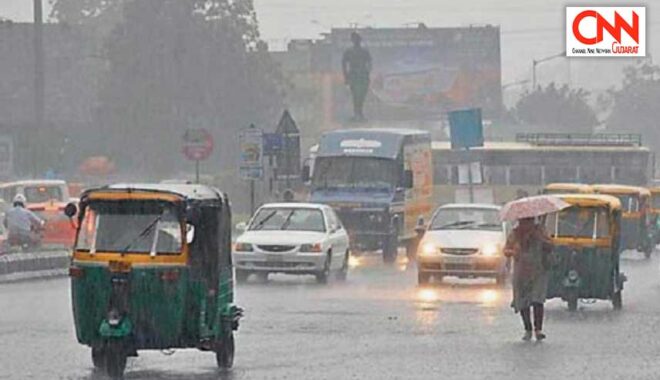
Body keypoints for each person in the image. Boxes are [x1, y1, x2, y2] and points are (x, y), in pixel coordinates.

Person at [504, 217, 553, 341]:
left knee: (537, 300)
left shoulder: (540, 231)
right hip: (521, 272)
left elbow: (550, 245)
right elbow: (506, 250)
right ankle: (528, 329)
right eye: (524, 222)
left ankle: (538, 330)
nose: (526, 224)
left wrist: (541, 239)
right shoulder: (515, 234)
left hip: (538, 271)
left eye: (529, 221)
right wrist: (513, 252)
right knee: (523, 302)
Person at [342, 32, 372, 122]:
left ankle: (360, 113)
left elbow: (370, 62)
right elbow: (344, 63)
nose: (356, 41)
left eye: (357, 39)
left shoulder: (364, 51)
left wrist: (367, 72)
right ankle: (357, 113)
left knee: (361, 96)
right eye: (355, 39)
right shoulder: (349, 51)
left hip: (362, 76)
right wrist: (346, 76)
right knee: (355, 96)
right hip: (354, 76)